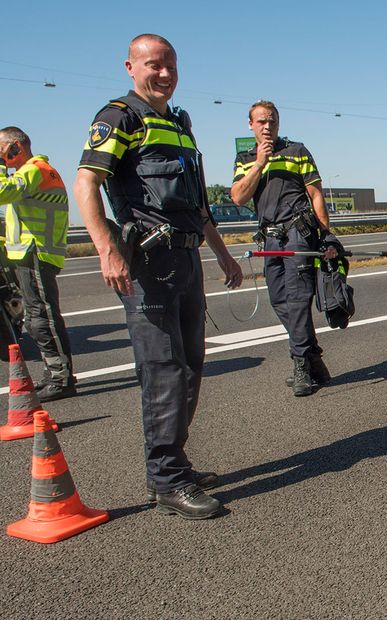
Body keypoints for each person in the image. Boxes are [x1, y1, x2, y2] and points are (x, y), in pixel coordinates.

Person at [73, 34, 244, 520]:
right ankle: (166, 481)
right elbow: (87, 182)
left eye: (170, 65)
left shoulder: (179, 122)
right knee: (163, 371)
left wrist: (222, 255)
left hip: (186, 260)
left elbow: (196, 204)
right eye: (153, 65)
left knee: (191, 367)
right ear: (130, 67)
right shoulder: (118, 118)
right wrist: (107, 249)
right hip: (148, 264)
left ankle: (174, 465)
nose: (164, 73)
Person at [231, 101, 340, 396]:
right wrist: (259, 164)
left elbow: (316, 195)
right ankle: (314, 357)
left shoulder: (297, 152)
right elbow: (239, 197)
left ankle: (301, 363)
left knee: (297, 298)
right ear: (251, 125)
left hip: (297, 233)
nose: (268, 126)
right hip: (270, 238)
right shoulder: (245, 159)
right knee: (279, 300)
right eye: (262, 122)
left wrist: (327, 236)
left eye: (273, 121)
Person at [0, 127, 76, 401]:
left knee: (44, 318)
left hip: (36, 253)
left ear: (15, 147)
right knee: (36, 319)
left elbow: (2, 193)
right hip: (32, 254)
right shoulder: (34, 172)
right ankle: (54, 374)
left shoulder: (35, 170)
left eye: (2, 150)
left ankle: (62, 378)